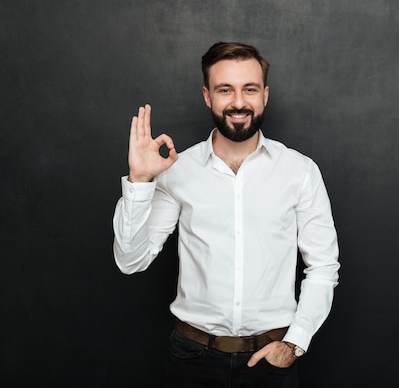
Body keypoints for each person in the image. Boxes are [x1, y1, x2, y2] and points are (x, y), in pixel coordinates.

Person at [112, 41, 340, 388]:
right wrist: (140, 180)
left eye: (249, 89)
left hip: (270, 362)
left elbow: (323, 267)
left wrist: (296, 343)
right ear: (207, 96)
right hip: (192, 360)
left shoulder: (300, 171)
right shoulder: (178, 169)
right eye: (224, 90)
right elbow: (131, 261)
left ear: (265, 94)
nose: (237, 102)